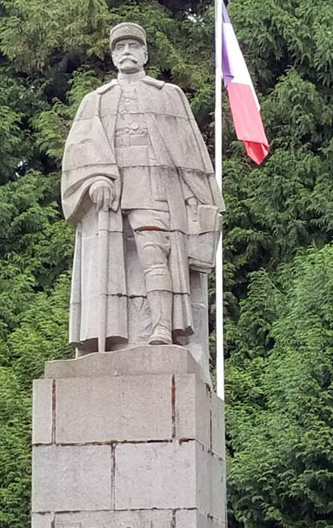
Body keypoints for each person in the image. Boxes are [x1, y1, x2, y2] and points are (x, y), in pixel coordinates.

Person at [61, 22, 223, 352]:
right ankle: (109, 337)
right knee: (109, 265)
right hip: (111, 195)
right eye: (120, 48)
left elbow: (190, 153)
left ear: (145, 53)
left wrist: (202, 203)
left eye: (133, 47)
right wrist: (96, 179)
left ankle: (162, 325)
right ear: (112, 56)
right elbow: (79, 151)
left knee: (154, 253)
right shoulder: (96, 101)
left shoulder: (168, 96)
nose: (127, 53)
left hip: (153, 188)